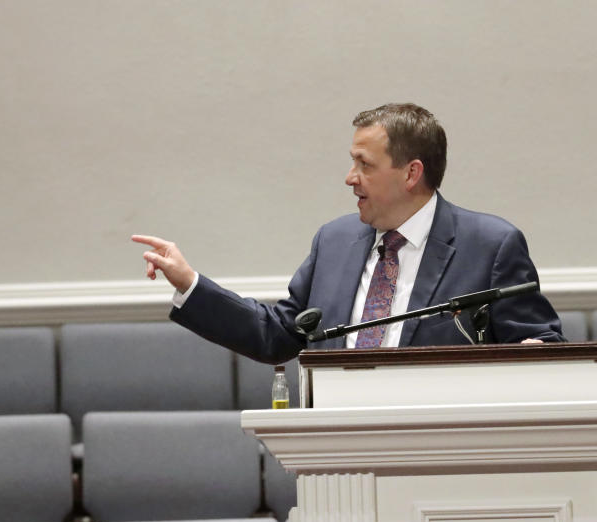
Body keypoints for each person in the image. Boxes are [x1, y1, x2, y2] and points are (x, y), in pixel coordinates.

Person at [133, 103, 563, 362]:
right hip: (340, 453)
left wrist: (538, 356)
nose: (349, 177)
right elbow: (278, 334)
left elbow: (542, 346)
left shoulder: (489, 246)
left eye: (365, 165)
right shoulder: (335, 242)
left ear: (412, 172)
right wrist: (190, 284)